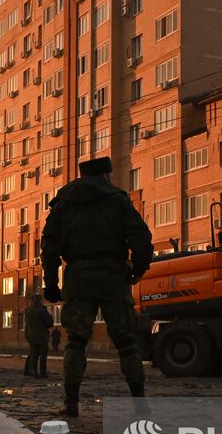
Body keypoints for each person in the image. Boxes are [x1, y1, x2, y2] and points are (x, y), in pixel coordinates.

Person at [41, 156, 153, 417]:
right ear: (106, 175)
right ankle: (140, 404)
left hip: (78, 276)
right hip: (113, 274)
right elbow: (141, 237)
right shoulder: (117, 200)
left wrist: (51, 282)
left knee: (76, 342)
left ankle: (71, 403)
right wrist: (138, 268)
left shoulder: (63, 205)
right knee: (126, 342)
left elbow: (49, 247)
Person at [23, 294, 53, 378]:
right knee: (43, 354)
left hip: (31, 336)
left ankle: (34, 371)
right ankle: (43, 372)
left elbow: (27, 324)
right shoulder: (42, 310)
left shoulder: (28, 310)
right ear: (40, 300)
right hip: (42, 335)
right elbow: (49, 322)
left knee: (34, 354)